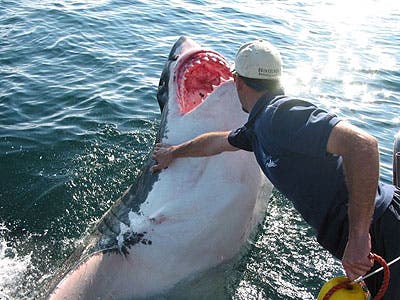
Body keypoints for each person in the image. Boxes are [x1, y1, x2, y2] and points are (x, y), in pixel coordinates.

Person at [151, 39, 400, 298]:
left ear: (237, 81)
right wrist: (174, 152)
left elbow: (363, 145)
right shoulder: (260, 126)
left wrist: (358, 237)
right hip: (367, 232)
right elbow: (219, 142)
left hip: (383, 228)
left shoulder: (279, 115)